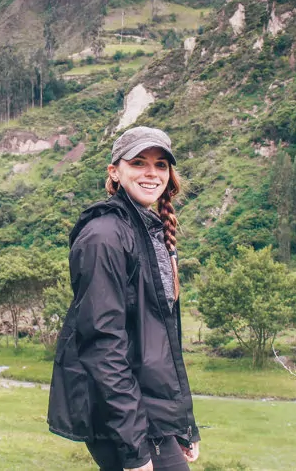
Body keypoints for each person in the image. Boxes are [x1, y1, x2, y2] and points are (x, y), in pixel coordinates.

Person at [48, 126, 200, 471]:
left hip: (143, 409)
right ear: (115, 172)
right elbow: (103, 344)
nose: (152, 173)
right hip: (117, 415)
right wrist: (134, 449)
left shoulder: (148, 230)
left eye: (161, 165)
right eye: (139, 162)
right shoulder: (104, 236)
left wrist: (180, 425)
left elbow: (155, 345)